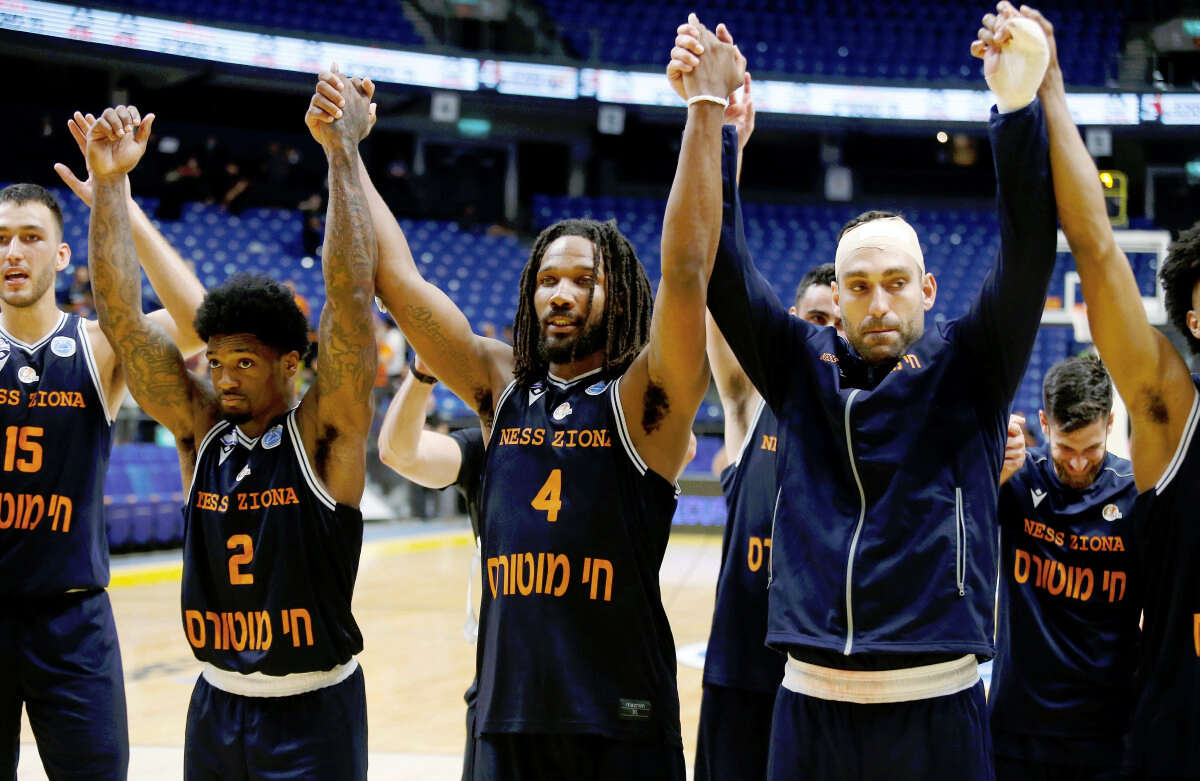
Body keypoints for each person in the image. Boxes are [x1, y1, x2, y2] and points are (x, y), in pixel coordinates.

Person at [305, 28, 744, 777]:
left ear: (619, 297)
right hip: (504, 718)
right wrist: (344, 152)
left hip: (620, 722)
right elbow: (397, 281)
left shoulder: (645, 399)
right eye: (547, 279)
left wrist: (703, 110)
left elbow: (687, 271)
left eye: (584, 279)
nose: (561, 294)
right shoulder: (500, 386)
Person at [669, 5, 1057, 776]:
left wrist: (1017, 109)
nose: (878, 303)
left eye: (895, 282)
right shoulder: (796, 366)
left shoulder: (972, 366)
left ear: (927, 289)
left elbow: (1027, 255)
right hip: (808, 704)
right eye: (858, 286)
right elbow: (718, 268)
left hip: (938, 703)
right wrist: (712, 124)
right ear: (837, 299)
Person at [85, 75, 378, 780]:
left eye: (244, 362)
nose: (223, 377)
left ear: (290, 364)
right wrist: (112, 187)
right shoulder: (202, 432)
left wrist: (342, 154)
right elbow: (122, 321)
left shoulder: (323, 436)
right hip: (215, 704)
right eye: (215, 362)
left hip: (314, 709)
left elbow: (348, 300)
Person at [1015, 2, 1200, 774]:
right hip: (1180, 725)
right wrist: (1053, 90)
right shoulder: (1172, 408)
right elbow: (1094, 246)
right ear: (1193, 314)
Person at [0, 110, 206, 779]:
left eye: (32, 237)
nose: (13, 252)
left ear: (63, 256)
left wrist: (115, 198)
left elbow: (201, 321)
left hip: (73, 618)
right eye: (1, 239)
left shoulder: (98, 345)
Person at [699, 259, 845, 781]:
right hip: (741, 669)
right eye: (816, 319)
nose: (828, 333)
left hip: (821, 672)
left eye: (839, 323)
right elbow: (720, 299)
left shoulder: (864, 418)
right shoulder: (751, 398)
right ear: (792, 320)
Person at [990, 355, 1139, 781]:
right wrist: (990, 469)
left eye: (1091, 449)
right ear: (1045, 423)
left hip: (1109, 733)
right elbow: (946, 522)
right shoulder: (1016, 478)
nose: (1077, 463)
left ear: (1110, 424)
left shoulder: (1136, 493)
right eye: (1065, 449)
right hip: (1017, 729)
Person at [378, 353, 486, 780]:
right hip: (503, 686)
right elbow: (398, 452)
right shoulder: (487, 445)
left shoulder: (613, 434)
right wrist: (423, 374)